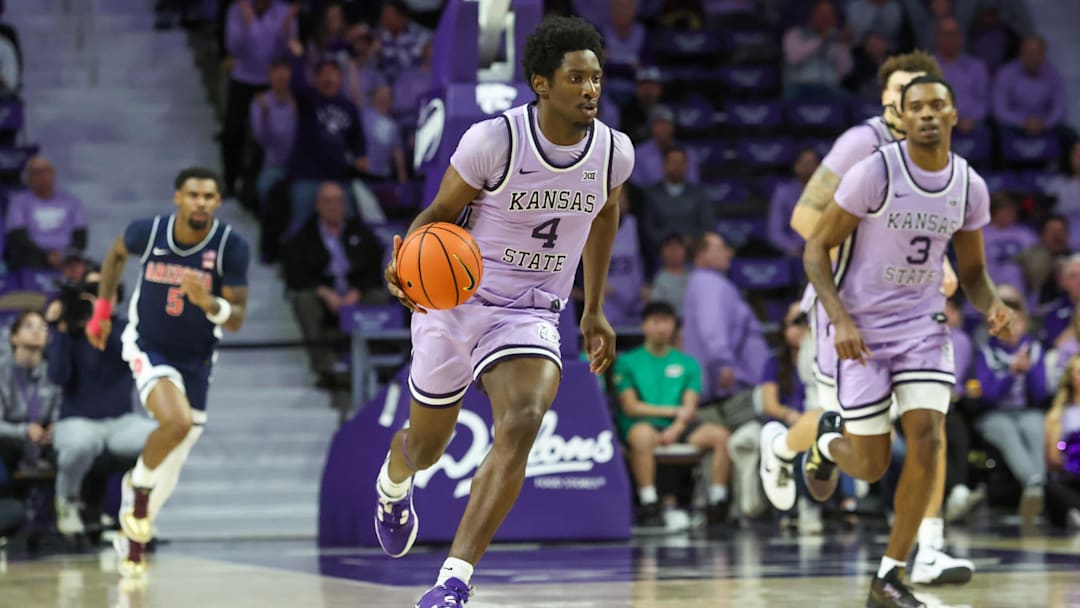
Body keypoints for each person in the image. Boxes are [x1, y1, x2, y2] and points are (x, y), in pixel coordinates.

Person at [372, 16, 634, 607]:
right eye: (576, 78)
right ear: (542, 84)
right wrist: (404, 262)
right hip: (455, 301)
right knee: (427, 449)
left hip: (531, 310)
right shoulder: (495, 140)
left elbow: (605, 212)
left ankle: (453, 582)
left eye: (596, 78)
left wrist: (593, 308)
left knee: (522, 418)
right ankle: (394, 479)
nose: (590, 89)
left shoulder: (614, 151)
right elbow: (437, 215)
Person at [761, 51, 972, 588]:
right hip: (847, 307)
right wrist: (869, 265)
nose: (913, 103)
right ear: (887, 99)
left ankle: (929, 548)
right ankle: (782, 447)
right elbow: (804, 218)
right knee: (845, 425)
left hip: (911, 314)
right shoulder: (862, 143)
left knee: (928, 426)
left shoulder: (936, 156)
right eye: (901, 91)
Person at [800, 75, 1012, 607]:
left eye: (937, 105)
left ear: (954, 114)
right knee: (870, 464)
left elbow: (973, 273)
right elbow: (816, 248)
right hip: (863, 329)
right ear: (903, 114)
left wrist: (992, 305)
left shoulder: (969, 185)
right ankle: (826, 444)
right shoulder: (875, 171)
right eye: (916, 106)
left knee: (929, 437)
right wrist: (840, 320)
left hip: (922, 326)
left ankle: (889, 576)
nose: (927, 114)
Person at [87, 167, 250, 577]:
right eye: (193, 194)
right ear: (178, 197)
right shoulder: (150, 233)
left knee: (175, 456)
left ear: (217, 202)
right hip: (148, 344)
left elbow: (236, 319)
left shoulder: (230, 246)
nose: (201, 202)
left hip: (196, 357)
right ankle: (137, 487)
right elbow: (115, 254)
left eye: (209, 196)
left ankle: (133, 532)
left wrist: (208, 302)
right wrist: (102, 312)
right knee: (176, 423)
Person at [45, 269, 155, 535]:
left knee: (164, 438)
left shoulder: (126, 329)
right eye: (92, 292)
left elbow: (129, 357)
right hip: (78, 420)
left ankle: (138, 509)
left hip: (121, 423)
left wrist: (101, 318)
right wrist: (59, 330)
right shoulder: (71, 332)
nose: (98, 297)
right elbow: (58, 376)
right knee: (80, 444)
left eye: (105, 292)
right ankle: (67, 501)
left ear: (116, 297)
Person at [614, 301, 731, 527]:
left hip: (680, 425)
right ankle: (649, 502)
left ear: (674, 326)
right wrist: (672, 411)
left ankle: (717, 502)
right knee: (641, 436)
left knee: (721, 436)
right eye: (655, 322)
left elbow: (690, 406)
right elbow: (630, 406)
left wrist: (676, 428)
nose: (661, 328)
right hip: (642, 424)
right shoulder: (627, 362)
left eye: (666, 322)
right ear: (644, 326)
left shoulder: (688, 363)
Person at [0, 310, 60, 480]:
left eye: (43, 327)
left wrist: (55, 429)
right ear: (14, 337)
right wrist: (24, 430)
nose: (36, 331)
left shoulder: (53, 372)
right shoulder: (2, 371)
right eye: (29, 326)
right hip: (7, 443)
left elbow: (60, 411)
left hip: (44, 444)